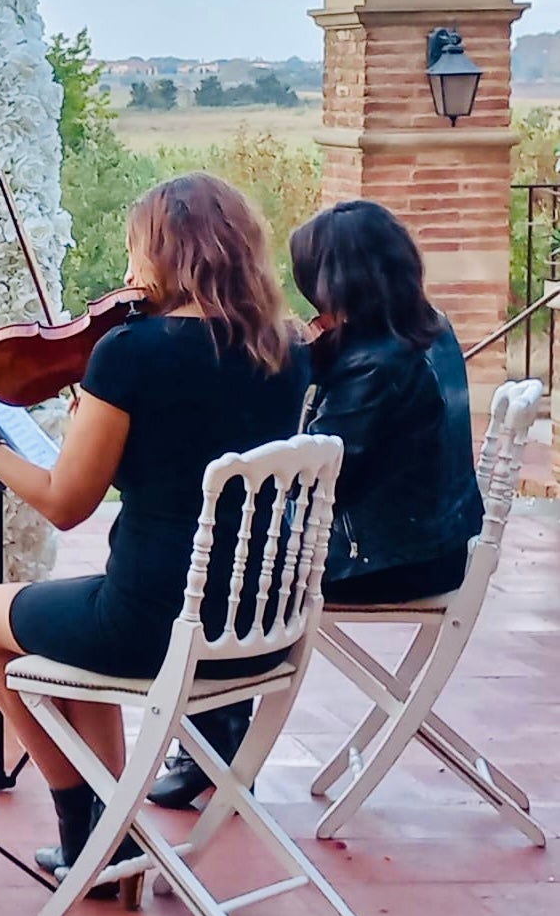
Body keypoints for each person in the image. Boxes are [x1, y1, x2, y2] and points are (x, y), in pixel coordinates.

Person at [0, 174, 308, 885]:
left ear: (162, 254)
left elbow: (65, 503)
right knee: (73, 630)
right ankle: (108, 834)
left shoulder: (132, 353)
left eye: (136, 252)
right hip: (259, 629)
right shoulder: (288, 346)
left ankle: (89, 832)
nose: (128, 274)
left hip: (153, 623)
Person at [149, 198, 485, 809]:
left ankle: (218, 747)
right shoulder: (423, 327)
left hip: (394, 557)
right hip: (437, 541)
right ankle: (218, 741)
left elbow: (315, 479)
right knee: (235, 550)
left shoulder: (375, 365)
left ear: (337, 282)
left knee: (219, 563)